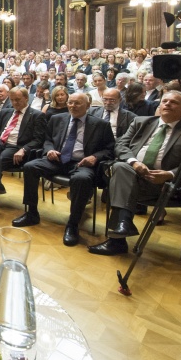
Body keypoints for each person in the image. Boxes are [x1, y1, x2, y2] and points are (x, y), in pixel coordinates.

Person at [89, 92, 181, 256]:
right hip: (133, 176)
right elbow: (120, 145)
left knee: (120, 182)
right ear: (159, 106)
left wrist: (168, 174)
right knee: (121, 168)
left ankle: (117, 239)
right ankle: (123, 224)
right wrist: (135, 162)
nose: (167, 104)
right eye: (164, 101)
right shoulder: (141, 122)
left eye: (173, 102)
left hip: (166, 186)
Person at [19, 93, 115, 247]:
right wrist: (49, 150)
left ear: (88, 106)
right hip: (57, 160)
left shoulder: (100, 125)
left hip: (81, 163)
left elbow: (110, 149)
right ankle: (31, 213)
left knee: (82, 179)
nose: (72, 106)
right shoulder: (57, 119)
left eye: (77, 103)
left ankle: (73, 224)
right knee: (30, 167)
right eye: (70, 102)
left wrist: (95, 157)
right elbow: (47, 140)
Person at [0, 87, 46, 217]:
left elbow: (38, 140)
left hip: (16, 147)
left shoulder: (37, 115)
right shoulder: (6, 112)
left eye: (18, 100)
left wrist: (24, 149)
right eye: (12, 100)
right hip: (0, 143)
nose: (15, 103)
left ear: (26, 98)